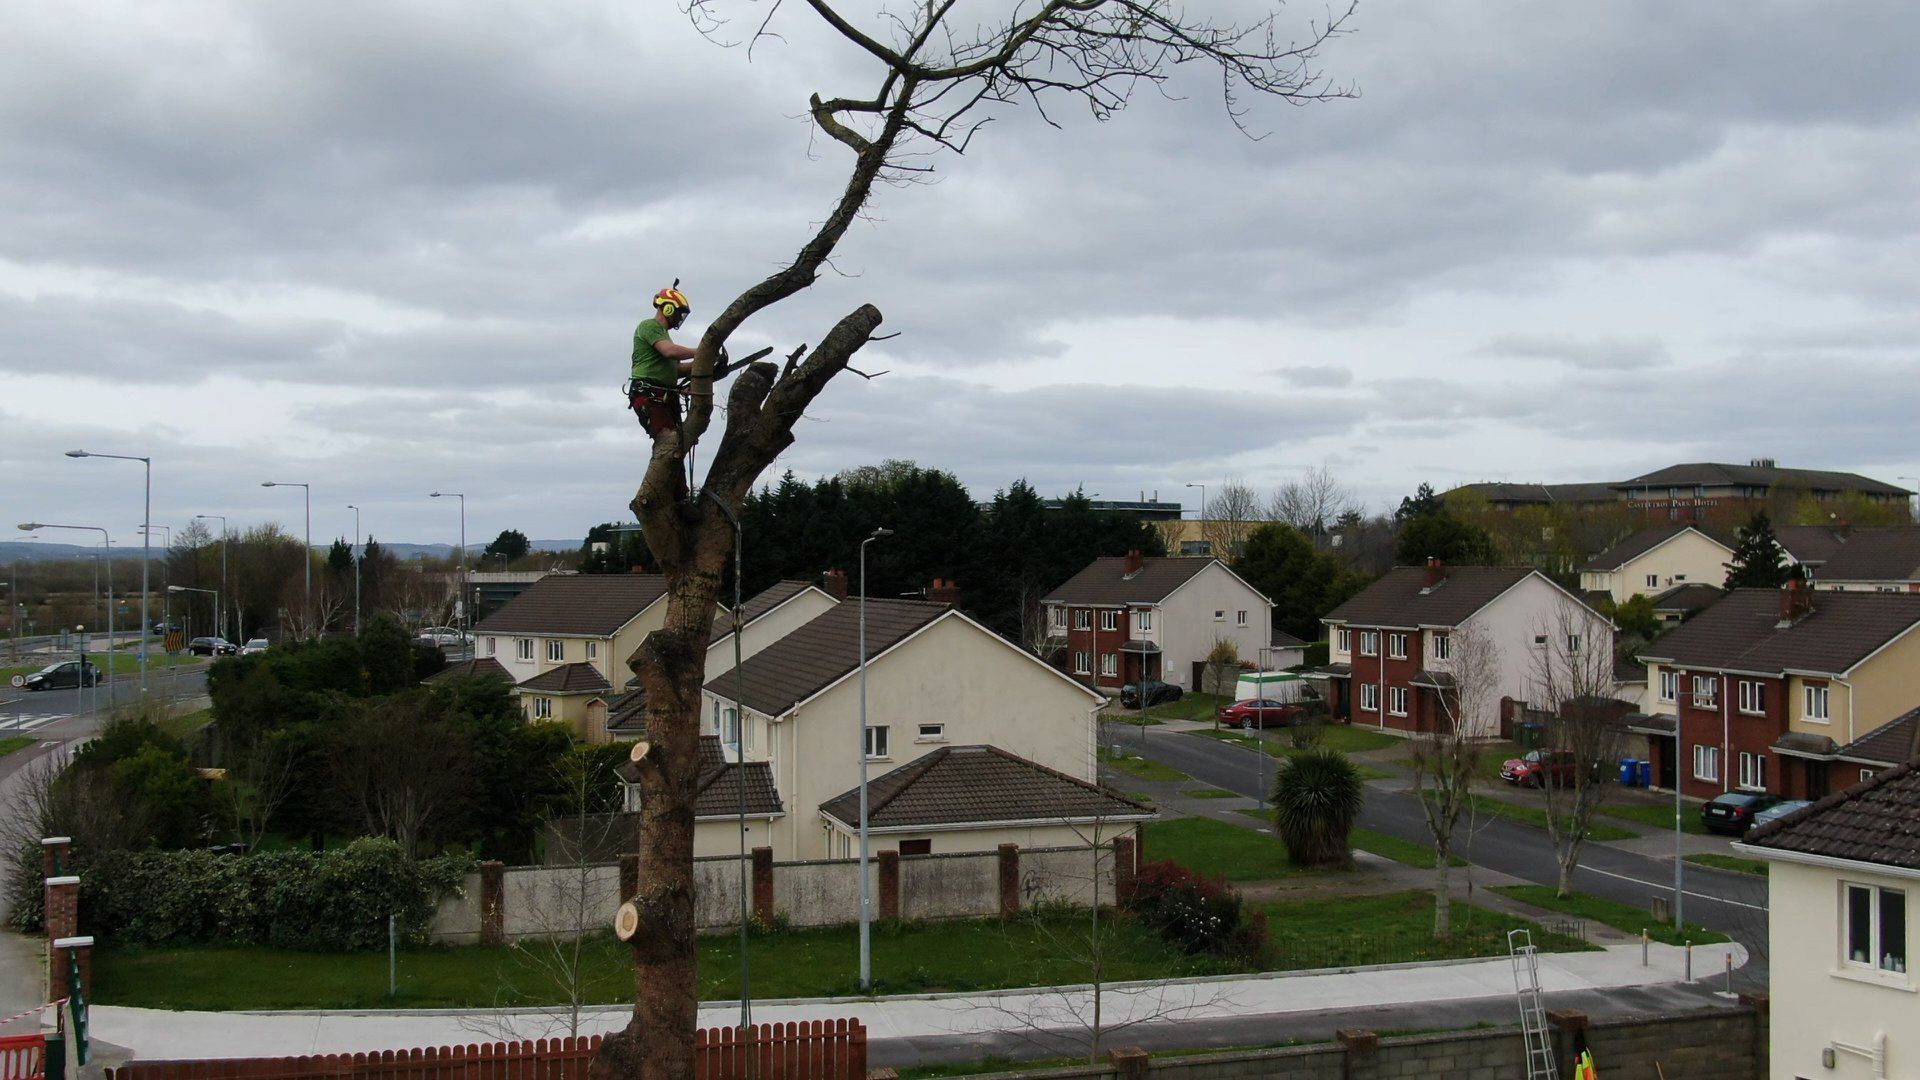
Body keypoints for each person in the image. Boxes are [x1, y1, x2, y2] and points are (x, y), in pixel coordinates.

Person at [630, 286, 699, 437]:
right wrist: (703, 351)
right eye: (679, 313)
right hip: (649, 393)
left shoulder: (664, 336)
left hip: (664, 396)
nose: (680, 318)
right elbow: (670, 351)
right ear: (668, 308)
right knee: (667, 440)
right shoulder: (649, 326)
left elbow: (676, 370)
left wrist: (703, 363)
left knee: (677, 439)